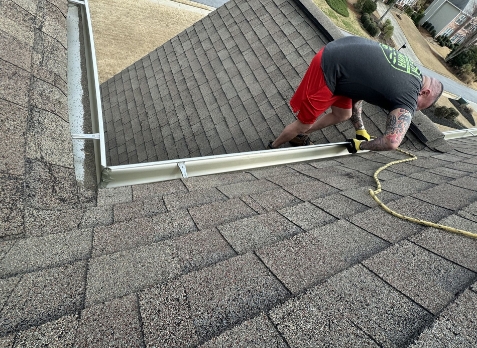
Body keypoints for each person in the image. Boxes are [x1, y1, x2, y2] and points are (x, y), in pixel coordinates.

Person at [267, 36, 444, 153]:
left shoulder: (411, 72)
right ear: (425, 91)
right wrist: (361, 145)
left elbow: (361, 90)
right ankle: (272, 147)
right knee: (303, 123)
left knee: (343, 114)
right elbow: (392, 142)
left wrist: (360, 130)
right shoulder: (409, 95)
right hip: (329, 67)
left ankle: (300, 136)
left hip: (340, 58)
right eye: (420, 105)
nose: (414, 108)